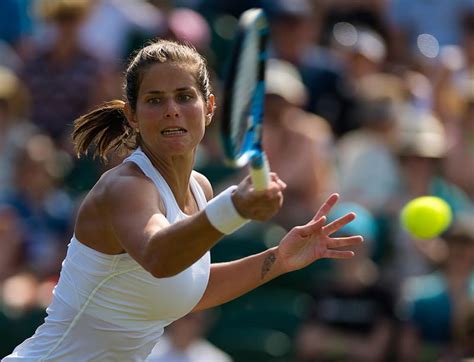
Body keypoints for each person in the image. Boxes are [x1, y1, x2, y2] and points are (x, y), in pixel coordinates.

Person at [2, 39, 363, 361]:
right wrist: (234, 208)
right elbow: (160, 257)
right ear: (133, 115)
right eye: (155, 100)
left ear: (208, 107)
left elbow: (187, 288)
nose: (171, 109)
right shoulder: (126, 186)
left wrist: (278, 260)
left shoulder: (199, 188)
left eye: (184, 96)